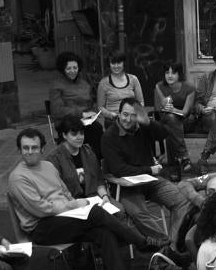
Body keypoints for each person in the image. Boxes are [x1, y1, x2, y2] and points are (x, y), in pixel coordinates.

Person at [8, 127, 160, 270]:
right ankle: (141, 241)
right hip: (41, 227)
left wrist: (72, 206)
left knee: (104, 233)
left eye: (34, 147)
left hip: (63, 217)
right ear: (19, 150)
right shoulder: (18, 177)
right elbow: (41, 209)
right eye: (25, 148)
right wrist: (73, 205)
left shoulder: (48, 166)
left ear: (42, 149)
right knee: (95, 212)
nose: (30, 152)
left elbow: (63, 191)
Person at [101, 97, 193, 243]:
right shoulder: (109, 136)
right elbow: (119, 169)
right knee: (139, 214)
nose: (128, 119)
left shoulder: (143, 127)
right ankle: (166, 244)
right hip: (126, 186)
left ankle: (174, 243)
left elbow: (163, 134)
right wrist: (149, 169)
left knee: (183, 201)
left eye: (133, 115)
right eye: (125, 114)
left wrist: (149, 123)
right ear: (118, 114)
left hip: (150, 181)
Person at [49, 51, 102, 154]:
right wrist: (81, 113)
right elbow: (57, 111)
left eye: (75, 68)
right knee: (91, 130)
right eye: (68, 68)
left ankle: (97, 161)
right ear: (62, 69)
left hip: (85, 121)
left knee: (98, 128)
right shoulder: (56, 85)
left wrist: (93, 112)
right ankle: (85, 159)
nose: (72, 71)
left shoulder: (84, 84)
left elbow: (91, 103)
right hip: (66, 122)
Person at [48, 113, 110, 201]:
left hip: (94, 198)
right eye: (74, 134)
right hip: (71, 203)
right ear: (64, 135)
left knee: (119, 211)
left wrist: (104, 196)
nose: (79, 137)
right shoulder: (54, 158)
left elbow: (99, 179)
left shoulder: (89, 151)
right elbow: (56, 190)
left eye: (81, 133)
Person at [153, 61, 196, 179]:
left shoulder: (189, 87)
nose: (170, 76)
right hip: (166, 119)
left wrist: (173, 109)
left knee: (171, 126)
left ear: (180, 74)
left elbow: (186, 112)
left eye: (174, 72)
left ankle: (174, 168)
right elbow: (159, 110)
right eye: (167, 72)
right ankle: (183, 158)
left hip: (186, 121)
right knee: (170, 122)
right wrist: (166, 108)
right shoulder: (159, 86)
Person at [96, 50, 144, 125]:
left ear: (123, 63)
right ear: (109, 64)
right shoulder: (103, 83)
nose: (116, 66)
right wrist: (111, 115)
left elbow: (141, 102)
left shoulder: (133, 79)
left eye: (119, 63)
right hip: (113, 121)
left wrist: (134, 114)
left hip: (132, 119)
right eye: (113, 63)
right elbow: (100, 107)